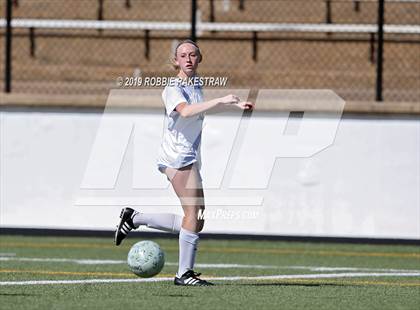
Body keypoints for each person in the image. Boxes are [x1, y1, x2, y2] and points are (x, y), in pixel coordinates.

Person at [114, 39, 254, 286]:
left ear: (200, 58)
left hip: (187, 156)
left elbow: (199, 111)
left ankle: (134, 218)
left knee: (196, 219)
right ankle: (183, 274)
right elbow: (187, 111)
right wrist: (222, 100)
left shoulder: (196, 84)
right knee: (193, 214)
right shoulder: (173, 87)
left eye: (193, 54)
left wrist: (235, 106)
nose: (188, 59)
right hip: (177, 156)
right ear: (176, 61)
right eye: (183, 55)